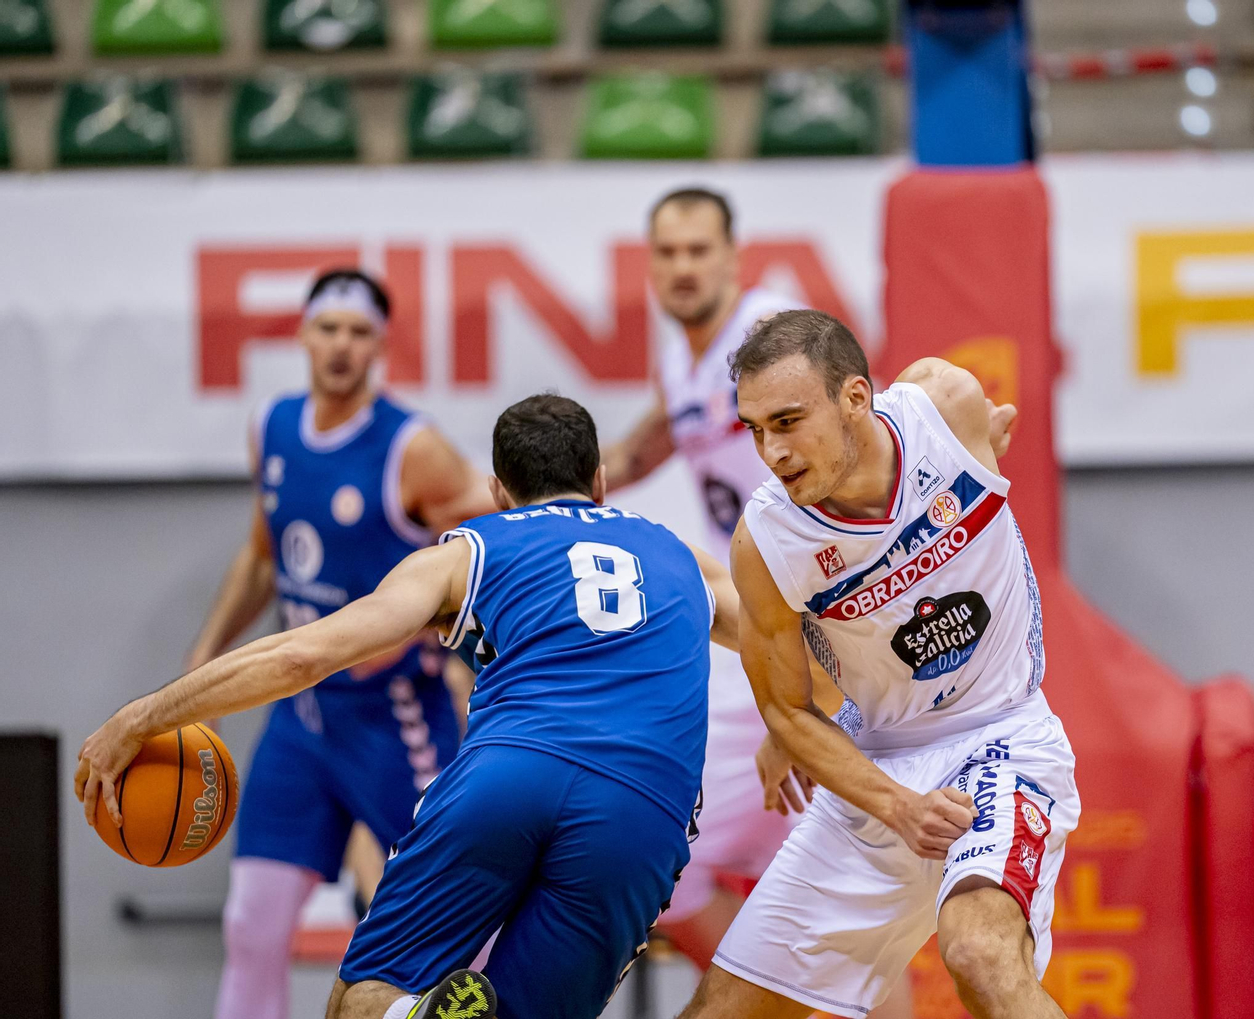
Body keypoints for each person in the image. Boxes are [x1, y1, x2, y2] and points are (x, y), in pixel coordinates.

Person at [78, 393, 740, 1019]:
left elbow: (303, 656)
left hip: (513, 770)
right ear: (599, 481)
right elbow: (795, 651)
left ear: (498, 493)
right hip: (643, 807)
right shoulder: (688, 560)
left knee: (362, 1000)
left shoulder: (475, 546)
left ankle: (409, 1012)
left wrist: (142, 716)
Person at [677, 309, 1077, 1019]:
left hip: (1000, 738)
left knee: (981, 954)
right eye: (756, 428)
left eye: (790, 420)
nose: (771, 449)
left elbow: (995, 424)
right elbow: (788, 708)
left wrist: (986, 441)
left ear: (856, 398)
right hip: (879, 763)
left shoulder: (945, 409)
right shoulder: (768, 539)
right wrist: (894, 801)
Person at [183, 269, 494, 1019]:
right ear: (303, 335)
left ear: (382, 345)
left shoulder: (412, 448)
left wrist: (416, 626)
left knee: (461, 928)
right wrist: (205, 662)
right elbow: (264, 555)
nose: (342, 347)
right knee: (251, 925)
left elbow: (486, 551)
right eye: (329, 329)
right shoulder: (273, 426)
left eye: (359, 333)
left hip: (396, 716)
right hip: (302, 714)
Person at [599, 186, 815, 971]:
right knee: (842, 913)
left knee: (659, 856)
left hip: (807, 631)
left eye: (699, 250)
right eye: (668, 252)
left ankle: (769, 995)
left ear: (733, 255)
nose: (684, 267)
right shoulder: (679, 358)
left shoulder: (774, 334)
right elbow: (647, 446)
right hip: (761, 632)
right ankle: (780, 992)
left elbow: (850, 460)